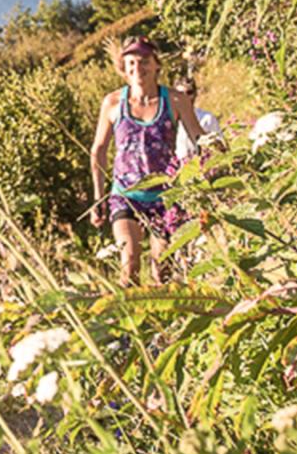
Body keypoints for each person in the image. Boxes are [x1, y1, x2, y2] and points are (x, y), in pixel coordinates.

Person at [88, 38, 208, 285]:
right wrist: (99, 197)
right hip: (125, 194)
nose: (137, 68)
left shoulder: (175, 101)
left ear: (156, 66)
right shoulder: (113, 103)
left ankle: (162, 320)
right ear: (124, 67)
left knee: (162, 268)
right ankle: (126, 317)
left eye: (144, 62)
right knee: (129, 262)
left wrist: (213, 165)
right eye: (131, 62)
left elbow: (199, 140)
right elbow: (98, 150)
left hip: (166, 196)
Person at [174, 71, 225, 161]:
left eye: (189, 93)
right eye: (181, 93)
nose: (185, 97)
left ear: (195, 94)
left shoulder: (207, 118)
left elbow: (221, 149)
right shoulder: (169, 121)